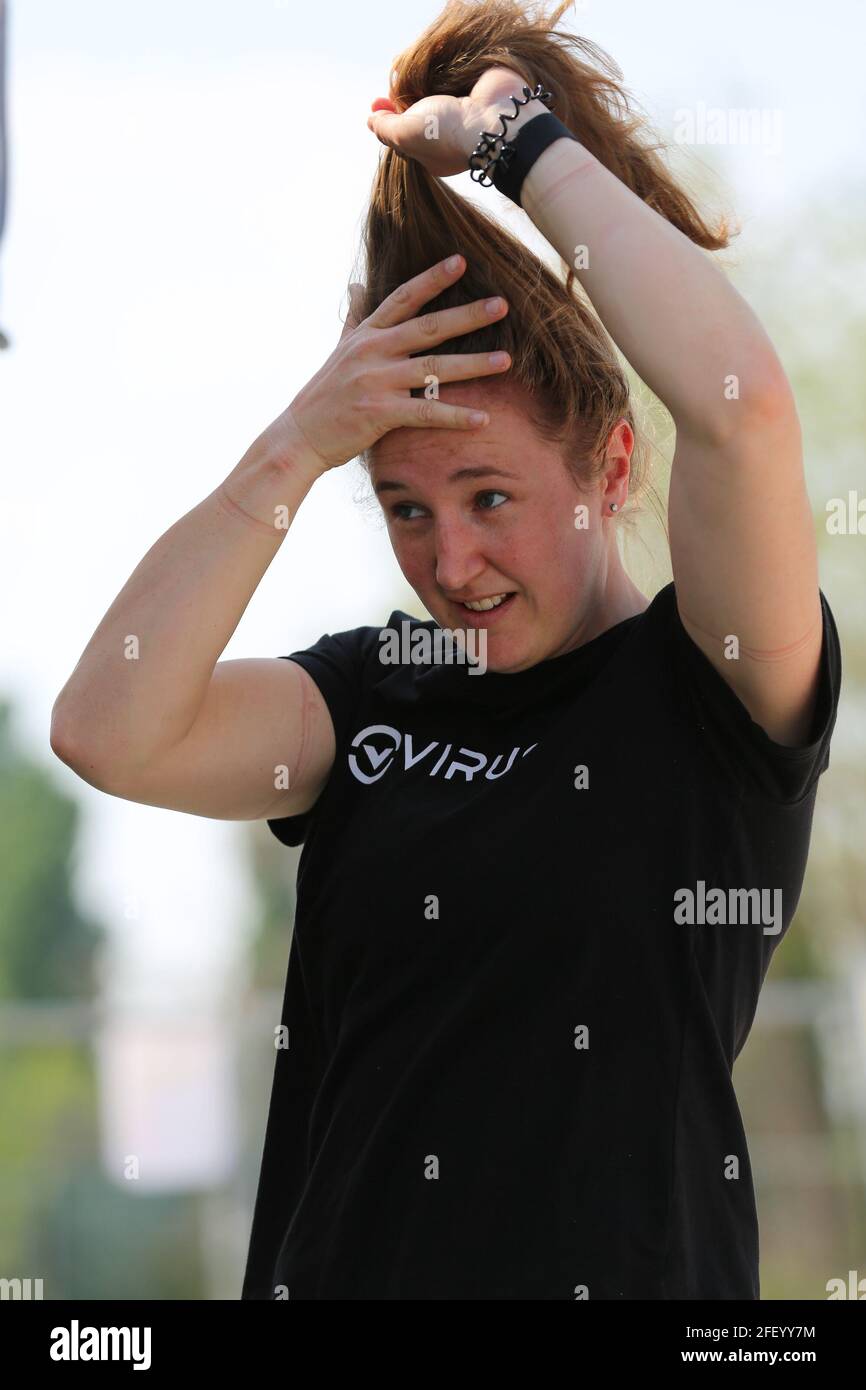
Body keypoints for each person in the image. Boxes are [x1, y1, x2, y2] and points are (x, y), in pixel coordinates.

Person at [51, 0, 842, 1300]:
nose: (449, 562)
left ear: (610, 460)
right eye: (404, 509)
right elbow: (106, 730)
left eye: (488, 497)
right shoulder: (372, 693)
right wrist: (295, 446)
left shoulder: (709, 689)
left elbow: (742, 408)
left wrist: (511, 142)